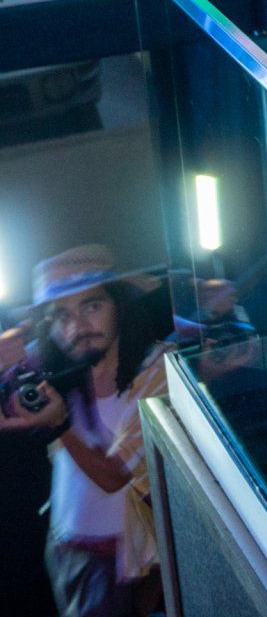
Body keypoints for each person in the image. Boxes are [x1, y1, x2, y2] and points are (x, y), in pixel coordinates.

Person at [0, 247, 170, 617]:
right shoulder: (58, 363)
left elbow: (114, 477)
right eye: (61, 316)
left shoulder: (156, 370)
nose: (76, 327)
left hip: (124, 562)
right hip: (63, 548)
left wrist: (60, 426)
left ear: (119, 304)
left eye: (91, 306)